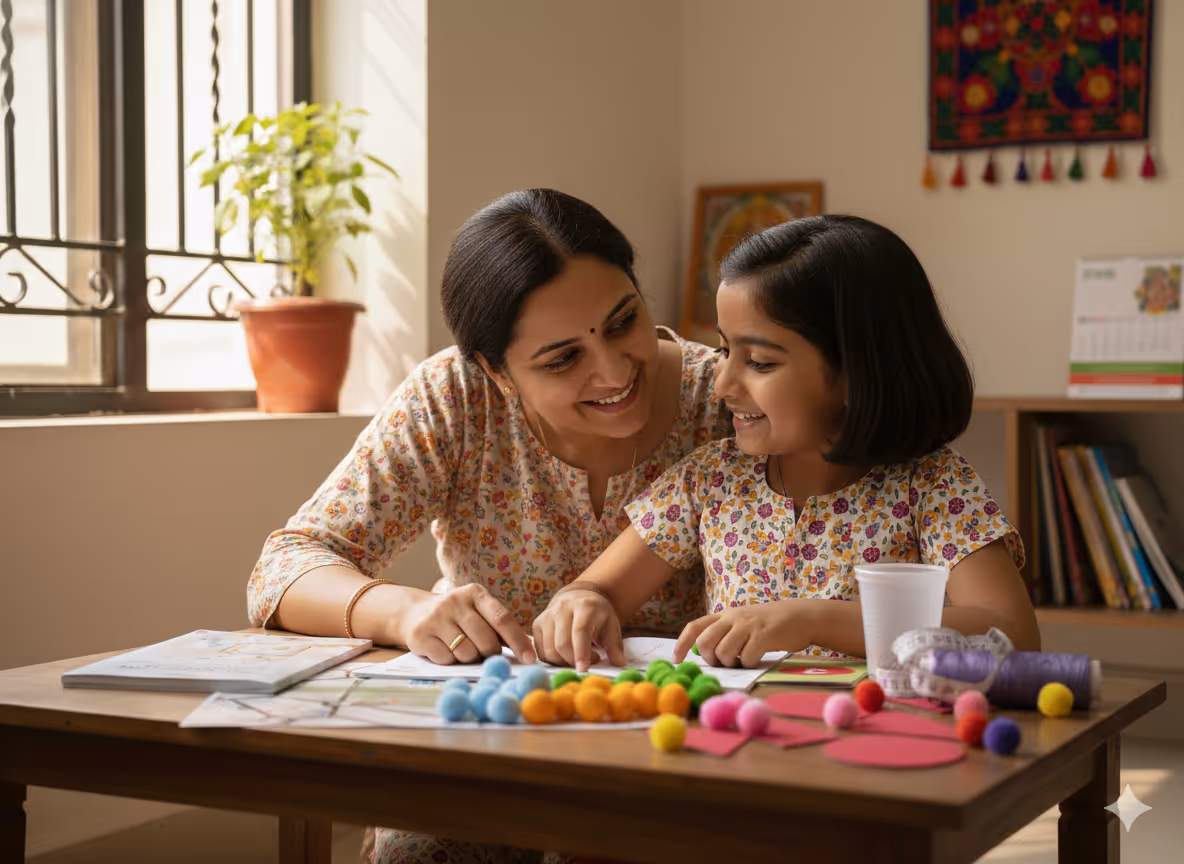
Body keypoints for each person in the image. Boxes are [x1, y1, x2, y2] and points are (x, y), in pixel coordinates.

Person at [246, 189, 732, 863]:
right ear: (495, 373)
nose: (614, 370)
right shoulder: (453, 399)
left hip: (668, 750)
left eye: (624, 321)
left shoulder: (727, 401)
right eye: (562, 359)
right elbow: (285, 568)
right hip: (482, 743)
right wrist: (406, 613)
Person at [532, 214, 1041, 672]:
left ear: (856, 374)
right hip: (737, 736)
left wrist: (811, 619)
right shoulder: (710, 479)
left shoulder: (932, 485)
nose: (721, 383)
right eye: (724, 351)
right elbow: (597, 589)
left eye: (759, 362)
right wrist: (582, 602)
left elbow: (1013, 636)